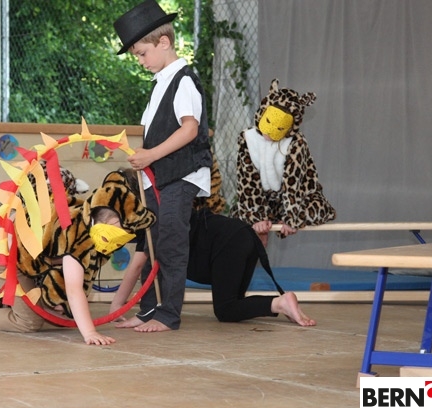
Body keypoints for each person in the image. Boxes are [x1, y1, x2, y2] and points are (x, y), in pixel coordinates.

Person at [0, 171, 156, 346]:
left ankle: (0, 312)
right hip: (4, 254)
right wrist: (89, 332)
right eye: (123, 229)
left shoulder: (89, 220)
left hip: (29, 259)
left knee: (57, 311)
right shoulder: (77, 236)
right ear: (109, 221)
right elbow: (74, 288)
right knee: (29, 322)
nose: (125, 236)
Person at [113, 0, 213, 332]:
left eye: (142, 53)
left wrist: (151, 155)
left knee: (170, 241)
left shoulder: (183, 81)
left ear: (164, 42)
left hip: (180, 176)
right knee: (153, 241)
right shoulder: (160, 84)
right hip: (158, 178)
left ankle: (168, 315)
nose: (140, 61)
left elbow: (190, 129)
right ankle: (148, 311)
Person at [110, 209, 316, 327]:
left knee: (225, 309)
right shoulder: (168, 208)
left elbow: (136, 267)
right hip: (242, 236)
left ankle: (279, 303)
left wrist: (116, 307)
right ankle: (283, 304)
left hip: (228, 243)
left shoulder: (150, 222)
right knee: (233, 307)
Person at [229, 78, 336, 242]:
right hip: (261, 199)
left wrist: (292, 217)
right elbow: (247, 180)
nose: (270, 132)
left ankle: (285, 217)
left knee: (318, 211)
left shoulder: (296, 143)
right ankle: (260, 233)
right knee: (239, 220)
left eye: (279, 128)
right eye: (268, 122)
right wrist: (258, 216)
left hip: (296, 199)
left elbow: (294, 184)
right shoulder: (247, 138)